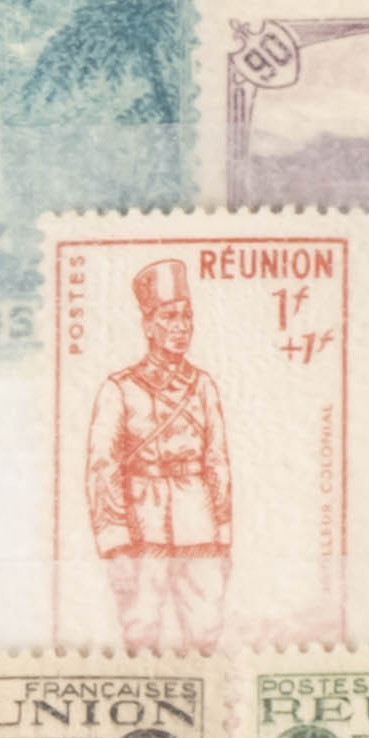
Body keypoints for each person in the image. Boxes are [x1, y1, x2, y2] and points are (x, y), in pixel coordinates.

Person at [79, 256, 234, 647]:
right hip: (142, 529)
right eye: (168, 317)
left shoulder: (203, 385)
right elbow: (103, 468)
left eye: (186, 317)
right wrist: (115, 545)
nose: (181, 327)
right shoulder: (120, 389)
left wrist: (222, 537)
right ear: (148, 325)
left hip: (197, 524)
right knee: (142, 630)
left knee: (206, 631)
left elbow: (217, 461)